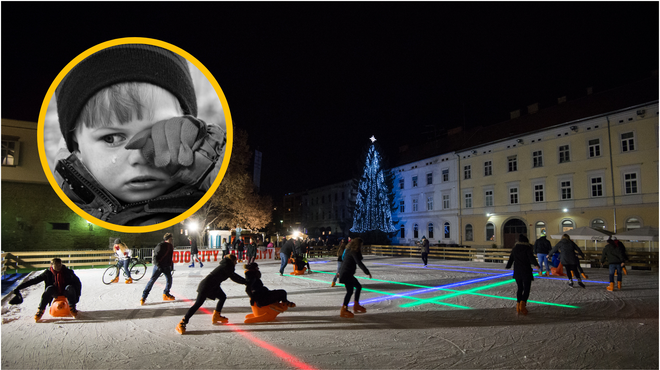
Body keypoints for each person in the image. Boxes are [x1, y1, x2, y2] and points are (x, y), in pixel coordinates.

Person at [51, 43, 226, 226]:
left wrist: (210, 167)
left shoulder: (206, 191)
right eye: (111, 138)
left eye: (159, 132)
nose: (141, 157)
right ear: (77, 146)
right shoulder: (66, 203)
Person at [175, 254, 247, 334]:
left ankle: (216, 316)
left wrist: (245, 281)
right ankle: (182, 322)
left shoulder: (226, 265)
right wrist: (246, 282)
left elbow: (234, 276)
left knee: (222, 297)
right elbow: (234, 277)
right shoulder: (227, 266)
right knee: (198, 304)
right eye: (235, 261)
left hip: (213, 285)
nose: (236, 263)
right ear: (232, 261)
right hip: (206, 286)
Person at [13, 258, 82, 321]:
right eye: (56, 265)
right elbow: (34, 281)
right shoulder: (47, 273)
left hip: (66, 291)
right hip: (54, 292)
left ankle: (72, 307)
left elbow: (77, 282)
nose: (58, 267)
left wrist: (77, 295)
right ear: (51, 265)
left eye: (59, 265)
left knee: (70, 287)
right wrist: (19, 288)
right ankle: (40, 310)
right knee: (49, 288)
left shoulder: (68, 272)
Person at [505, 235, 540, 315]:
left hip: (517, 271)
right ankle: (522, 304)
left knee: (520, 288)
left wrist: (508, 266)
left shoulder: (515, 248)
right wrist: (536, 265)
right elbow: (531, 257)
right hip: (526, 270)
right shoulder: (527, 248)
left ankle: (518, 305)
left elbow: (511, 258)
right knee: (526, 288)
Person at [338, 237, 372, 318]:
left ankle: (355, 305)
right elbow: (359, 262)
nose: (361, 247)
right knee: (350, 291)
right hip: (346, 274)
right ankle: (344, 309)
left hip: (346, 273)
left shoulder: (349, 250)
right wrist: (367, 272)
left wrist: (339, 272)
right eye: (361, 245)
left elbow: (344, 260)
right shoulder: (353, 252)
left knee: (358, 287)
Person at [141, 233, 176, 305]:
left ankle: (166, 293)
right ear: (167, 239)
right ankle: (144, 297)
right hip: (159, 267)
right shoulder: (161, 245)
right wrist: (158, 265)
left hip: (167, 266)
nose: (172, 239)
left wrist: (171, 266)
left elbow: (170, 257)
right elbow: (155, 257)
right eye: (171, 238)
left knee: (169, 280)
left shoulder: (171, 246)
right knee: (152, 281)